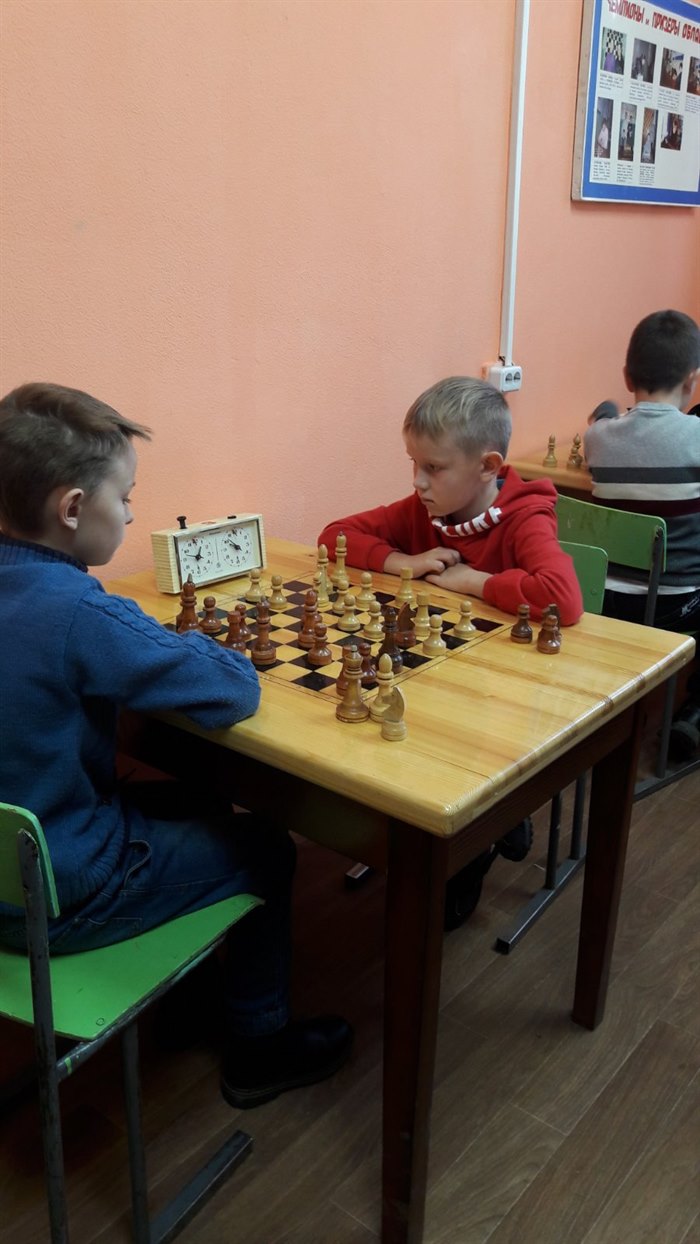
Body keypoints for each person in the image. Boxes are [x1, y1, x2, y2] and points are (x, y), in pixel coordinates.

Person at [0, 382, 352, 1108]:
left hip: (11, 870)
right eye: (125, 497)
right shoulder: (76, 610)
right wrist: (180, 641)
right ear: (72, 509)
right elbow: (233, 690)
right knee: (268, 847)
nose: (132, 513)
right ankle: (258, 1046)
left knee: (197, 800)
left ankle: (191, 997)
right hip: (61, 893)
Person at [319, 376, 583, 927]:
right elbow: (334, 534)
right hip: (431, 684)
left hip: (505, 704)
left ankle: (488, 830)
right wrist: (402, 562)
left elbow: (564, 598)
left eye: (433, 467)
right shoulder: (424, 511)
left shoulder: (525, 515)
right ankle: (450, 832)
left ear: (488, 466)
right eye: (414, 464)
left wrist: (475, 582)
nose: (418, 481)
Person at [585, 310, 700, 760]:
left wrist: (608, 413)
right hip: (676, 606)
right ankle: (693, 713)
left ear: (627, 376)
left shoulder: (598, 439)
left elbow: (604, 419)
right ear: (691, 381)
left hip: (606, 601)